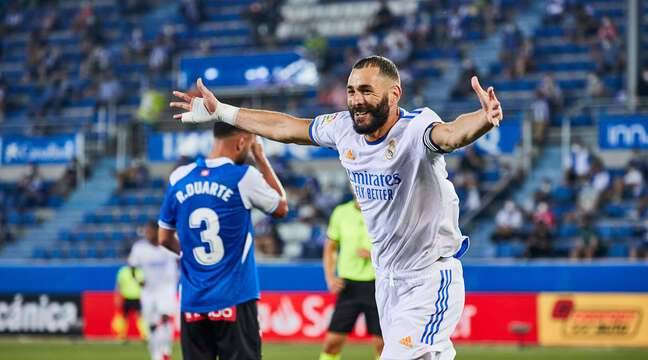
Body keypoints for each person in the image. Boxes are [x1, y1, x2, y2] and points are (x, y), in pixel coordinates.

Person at [170, 55, 503, 359]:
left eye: (366, 91)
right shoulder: (343, 128)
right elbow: (287, 128)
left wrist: (482, 120)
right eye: (351, 90)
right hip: (386, 282)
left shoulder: (415, 130)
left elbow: (450, 135)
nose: (356, 99)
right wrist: (223, 112)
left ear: (394, 94)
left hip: (429, 277)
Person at [157, 122, 288, 360]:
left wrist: (188, 253)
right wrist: (260, 157)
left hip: (192, 301)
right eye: (248, 144)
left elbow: (163, 238)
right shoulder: (243, 176)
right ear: (241, 142)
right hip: (234, 299)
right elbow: (281, 206)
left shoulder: (179, 177)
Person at [321, 198, 383, 360]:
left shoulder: (383, 210)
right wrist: (330, 277)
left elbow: (398, 247)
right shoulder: (341, 212)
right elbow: (330, 247)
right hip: (348, 286)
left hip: (376, 285)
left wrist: (374, 255)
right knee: (331, 344)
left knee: (382, 345)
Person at [128, 220, 179, 360]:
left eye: (149, 231)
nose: (147, 234)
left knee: (165, 318)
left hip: (166, 289)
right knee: (151, 325)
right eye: (146, 231)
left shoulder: (168, 244)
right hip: (149, 292)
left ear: (157, 231)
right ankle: (156, 354)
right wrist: (138, 281)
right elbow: (132, 266)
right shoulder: (139, 248)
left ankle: (165, 351)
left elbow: (180, 258)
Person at [114, 264, 147, 341]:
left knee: (140, 317)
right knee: (124, 317)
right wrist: (117, 296)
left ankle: (144, 335)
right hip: (126, 297)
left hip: (137, 297)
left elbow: (143, 284)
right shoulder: (123, 271)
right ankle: (121, 335)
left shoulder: (140, 271)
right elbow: (118, 285)